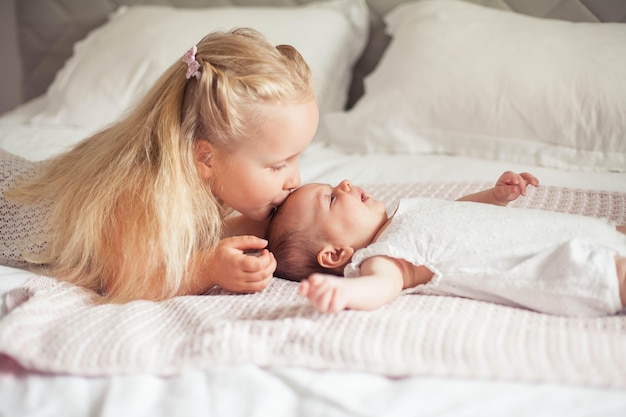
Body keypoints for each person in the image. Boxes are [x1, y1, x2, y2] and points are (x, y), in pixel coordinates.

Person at [0, 28, 319, 303]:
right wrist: (207, 268)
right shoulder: (140, 192)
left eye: (297, 158)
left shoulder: (201, 177)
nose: (296, 178)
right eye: (279, 165)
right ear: (206, 158)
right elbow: (127, 282)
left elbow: (196, 232)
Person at [267, 172, 626, 317]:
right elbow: (380, 288)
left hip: (574, 232)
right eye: (331, 199)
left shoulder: (405, 212)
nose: (344, 183)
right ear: (335, 254)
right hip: (564, 267)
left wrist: (495, 196)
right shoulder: (382, 257)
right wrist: (343, 293)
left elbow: (455, 214)